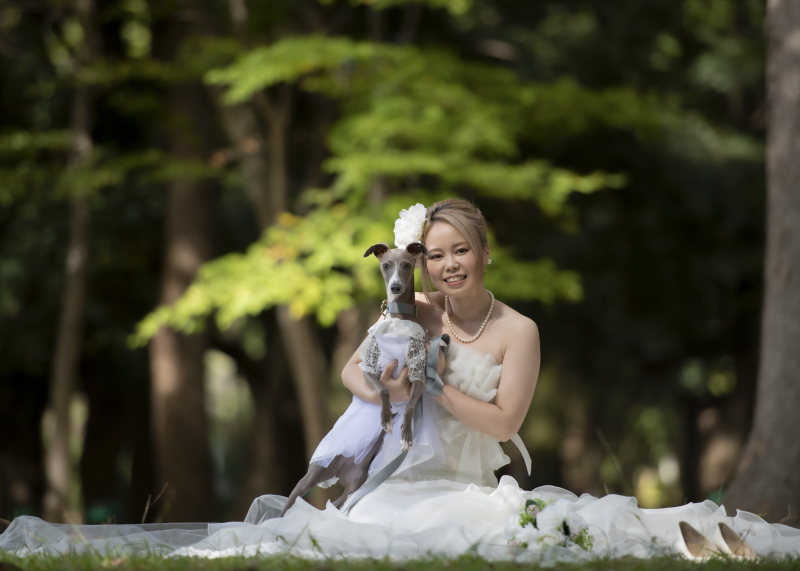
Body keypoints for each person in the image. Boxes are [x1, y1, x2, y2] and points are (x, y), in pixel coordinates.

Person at [2, 199, 799, 562]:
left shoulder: (519, 330)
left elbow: (504, 423)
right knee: (343, 537)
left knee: (527, 530)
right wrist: (391, 390)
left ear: (484, 253)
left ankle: (703, 539)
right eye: (436, 254)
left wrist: (434, 390)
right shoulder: (410, 309)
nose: (447, 265)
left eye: (461, 252)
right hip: (396, 478)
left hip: (467, 482)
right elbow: (350, 369)